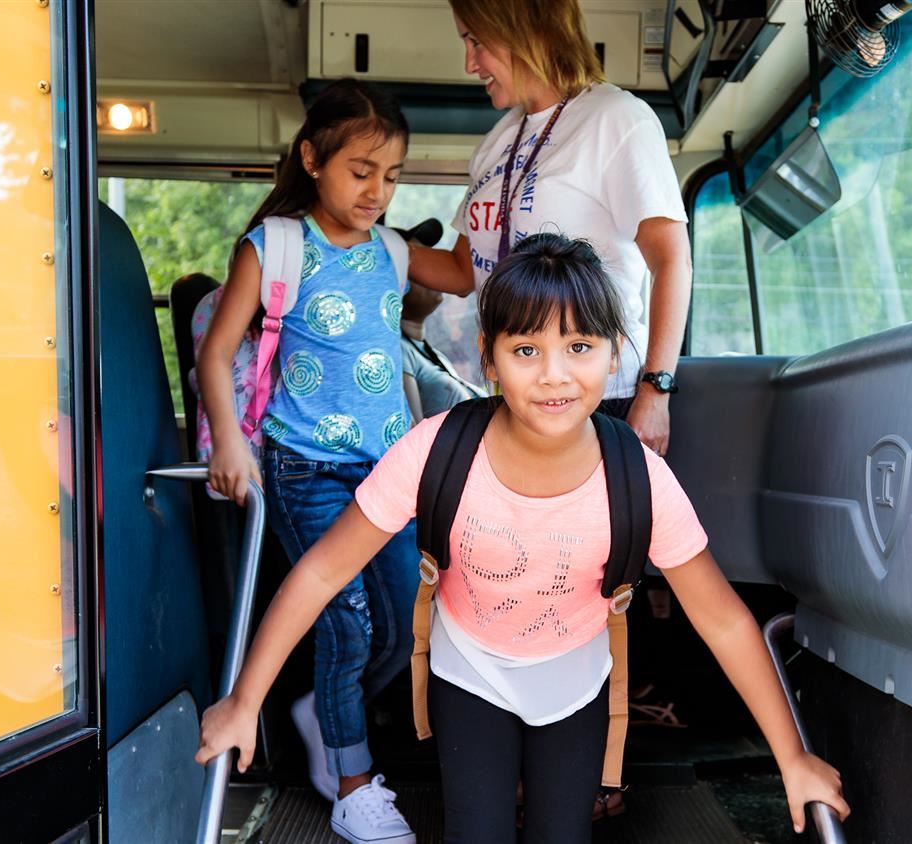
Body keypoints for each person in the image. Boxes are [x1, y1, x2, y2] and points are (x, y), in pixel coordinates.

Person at [196, 235, 849, 843]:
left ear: (615, 353)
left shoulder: (638, 478)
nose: (555, 376)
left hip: (576, 680)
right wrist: (243, 700)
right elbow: (320, 573)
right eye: (526, 350)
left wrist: (791, 758)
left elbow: (726, 623)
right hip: (469, 670)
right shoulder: (435, 450)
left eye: (580, 348)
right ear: (490, 357)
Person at [194, 78, 424, 844]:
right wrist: (231, 441)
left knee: (395, 632)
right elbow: (216, 350)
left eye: (391, 177)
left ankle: (316, 706)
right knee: (349, 629)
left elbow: (469, 271)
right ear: (313, 159)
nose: (377, 192)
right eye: (362, 171)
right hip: (307, 471)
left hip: (390, 478)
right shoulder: (278, 245)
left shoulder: (392, 251)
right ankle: (354, 785)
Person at [406, 0, 692, 455]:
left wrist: (656, 390)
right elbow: (464, 269)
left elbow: (672, 258)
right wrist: (372, 241)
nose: (469, 63)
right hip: (518, 389)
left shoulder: (615, 118)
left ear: (524, 29)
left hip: (601, 393)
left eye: (476, 41)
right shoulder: (496, 143)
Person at [400, 281, 485, 422]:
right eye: (417, 277)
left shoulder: (437, 356)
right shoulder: (400, 351)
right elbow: (413, 428)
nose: (431, 279)